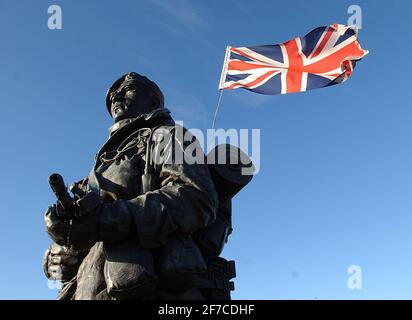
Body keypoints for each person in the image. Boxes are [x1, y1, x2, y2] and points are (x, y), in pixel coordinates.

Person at [43, 72, 236, 300]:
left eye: (128, 89)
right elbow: (80, 248)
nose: (117, 97)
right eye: (113, 95)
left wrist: (110, 218)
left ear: (153, 101)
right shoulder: (101, 166)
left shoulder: (168, 136)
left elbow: (195, 197)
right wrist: (61, 238)